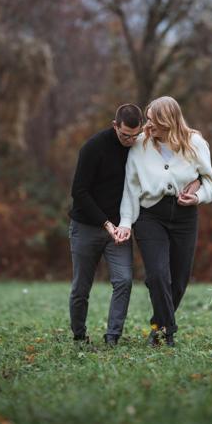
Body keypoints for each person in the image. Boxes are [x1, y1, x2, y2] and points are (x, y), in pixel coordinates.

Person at [118, 96, 212, 347]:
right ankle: (167, 331)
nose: (146, 125)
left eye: (151, 120)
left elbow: (210, 183)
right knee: (158, 274)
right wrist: (126, 222)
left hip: (185, 217)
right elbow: (131, 187)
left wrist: (196, 197)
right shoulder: (140, 145)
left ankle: (158, 325)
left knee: (180, 279)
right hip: (151, 214)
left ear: (167, 121)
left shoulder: (195, 143)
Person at [68, 103, 143, 347]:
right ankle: (79, 335)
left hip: (120, 228)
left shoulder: (140, 148)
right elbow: (79, 191)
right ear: (115, 126)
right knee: (81, 287)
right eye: (125, 135)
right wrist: (105, 223)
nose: (130, 140)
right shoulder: (93, 147)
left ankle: (113, 337)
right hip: (86, 226)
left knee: (124, 281)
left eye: (135, 135)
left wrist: (122, 224)